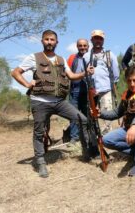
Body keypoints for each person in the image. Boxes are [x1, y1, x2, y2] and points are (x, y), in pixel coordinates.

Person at [11, 30, 95, 178]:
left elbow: (72, 76)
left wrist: (85, 73)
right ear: (42, 41)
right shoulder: (33, 58)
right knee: (39, 132)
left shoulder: (61, 60)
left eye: (52, 40)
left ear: (57, 42)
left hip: (59, 102)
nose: (49, 42)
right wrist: (27, 84)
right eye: (47, 39)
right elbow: (15, 72)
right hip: (40, 102)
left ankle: (87, 151)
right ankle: (41, 162)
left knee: (82, 119)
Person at [84, 30, 120, 135]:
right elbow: (83, 74)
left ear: (103, 40)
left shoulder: (109, 55)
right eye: (96, 38)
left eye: (100, 38)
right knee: (93, 114)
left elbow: (116, 73)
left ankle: (107, 137)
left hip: (106, 90)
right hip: (91, 91)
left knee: (107, 114)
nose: (98, 40)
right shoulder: (86, 56)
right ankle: (96, 137)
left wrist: (112, 85)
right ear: (92, 40)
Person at [66, 38, 89, 144]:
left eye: (85, 45)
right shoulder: (72, 58)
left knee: (88, 113)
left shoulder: (91, 57)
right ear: (77, 46)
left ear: (88, 46)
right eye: (80, 45)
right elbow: (66, 73)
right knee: (73, 114)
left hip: (88, 90)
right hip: (75, 89)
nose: (82, 47)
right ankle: (74, 137)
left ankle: (89, 135)